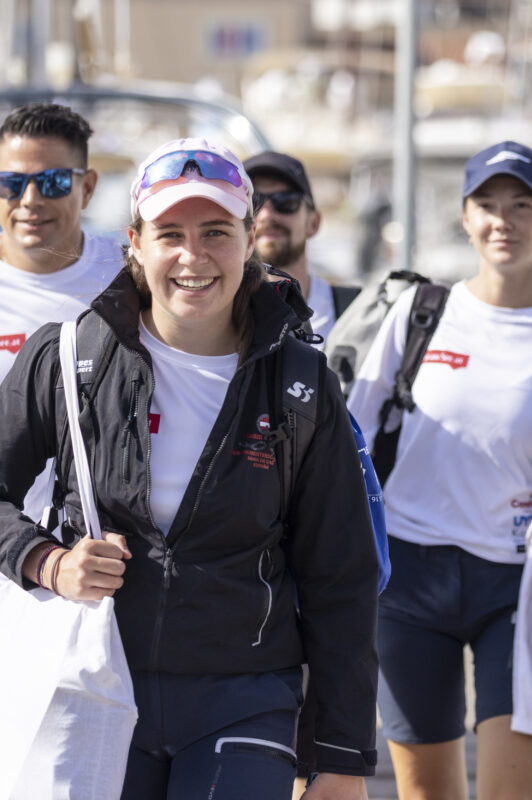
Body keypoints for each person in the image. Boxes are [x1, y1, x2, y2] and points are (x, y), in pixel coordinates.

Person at [0, 138, 379, 800]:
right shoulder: (64, 359)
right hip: (95, 682)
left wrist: (342, 757)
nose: (193, 256)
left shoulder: (301, 381)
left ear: (249, 237)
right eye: (170, 233)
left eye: (215, 232)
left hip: (246, 695)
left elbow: (341, 575)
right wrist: (46, 561)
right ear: (135, 244)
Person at [347, 140, 532, 800]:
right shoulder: (419, 315)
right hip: (407, 577)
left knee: (509, 794)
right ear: (465, 216)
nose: (502, 221)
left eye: (521, 205)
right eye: (487, 204)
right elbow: (353, 445)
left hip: (522, 585)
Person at [0, 101, 121, 518]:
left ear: (87, 187)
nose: (29, 200)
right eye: (11, 182)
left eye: (51, 182)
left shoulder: (132, 276)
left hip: (104, 553)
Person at [243, 150, 358, 345]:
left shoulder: (357, 315)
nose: (267, 215)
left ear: (313, 223)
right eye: (254, 202)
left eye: (285, 201)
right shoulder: (216, 321)